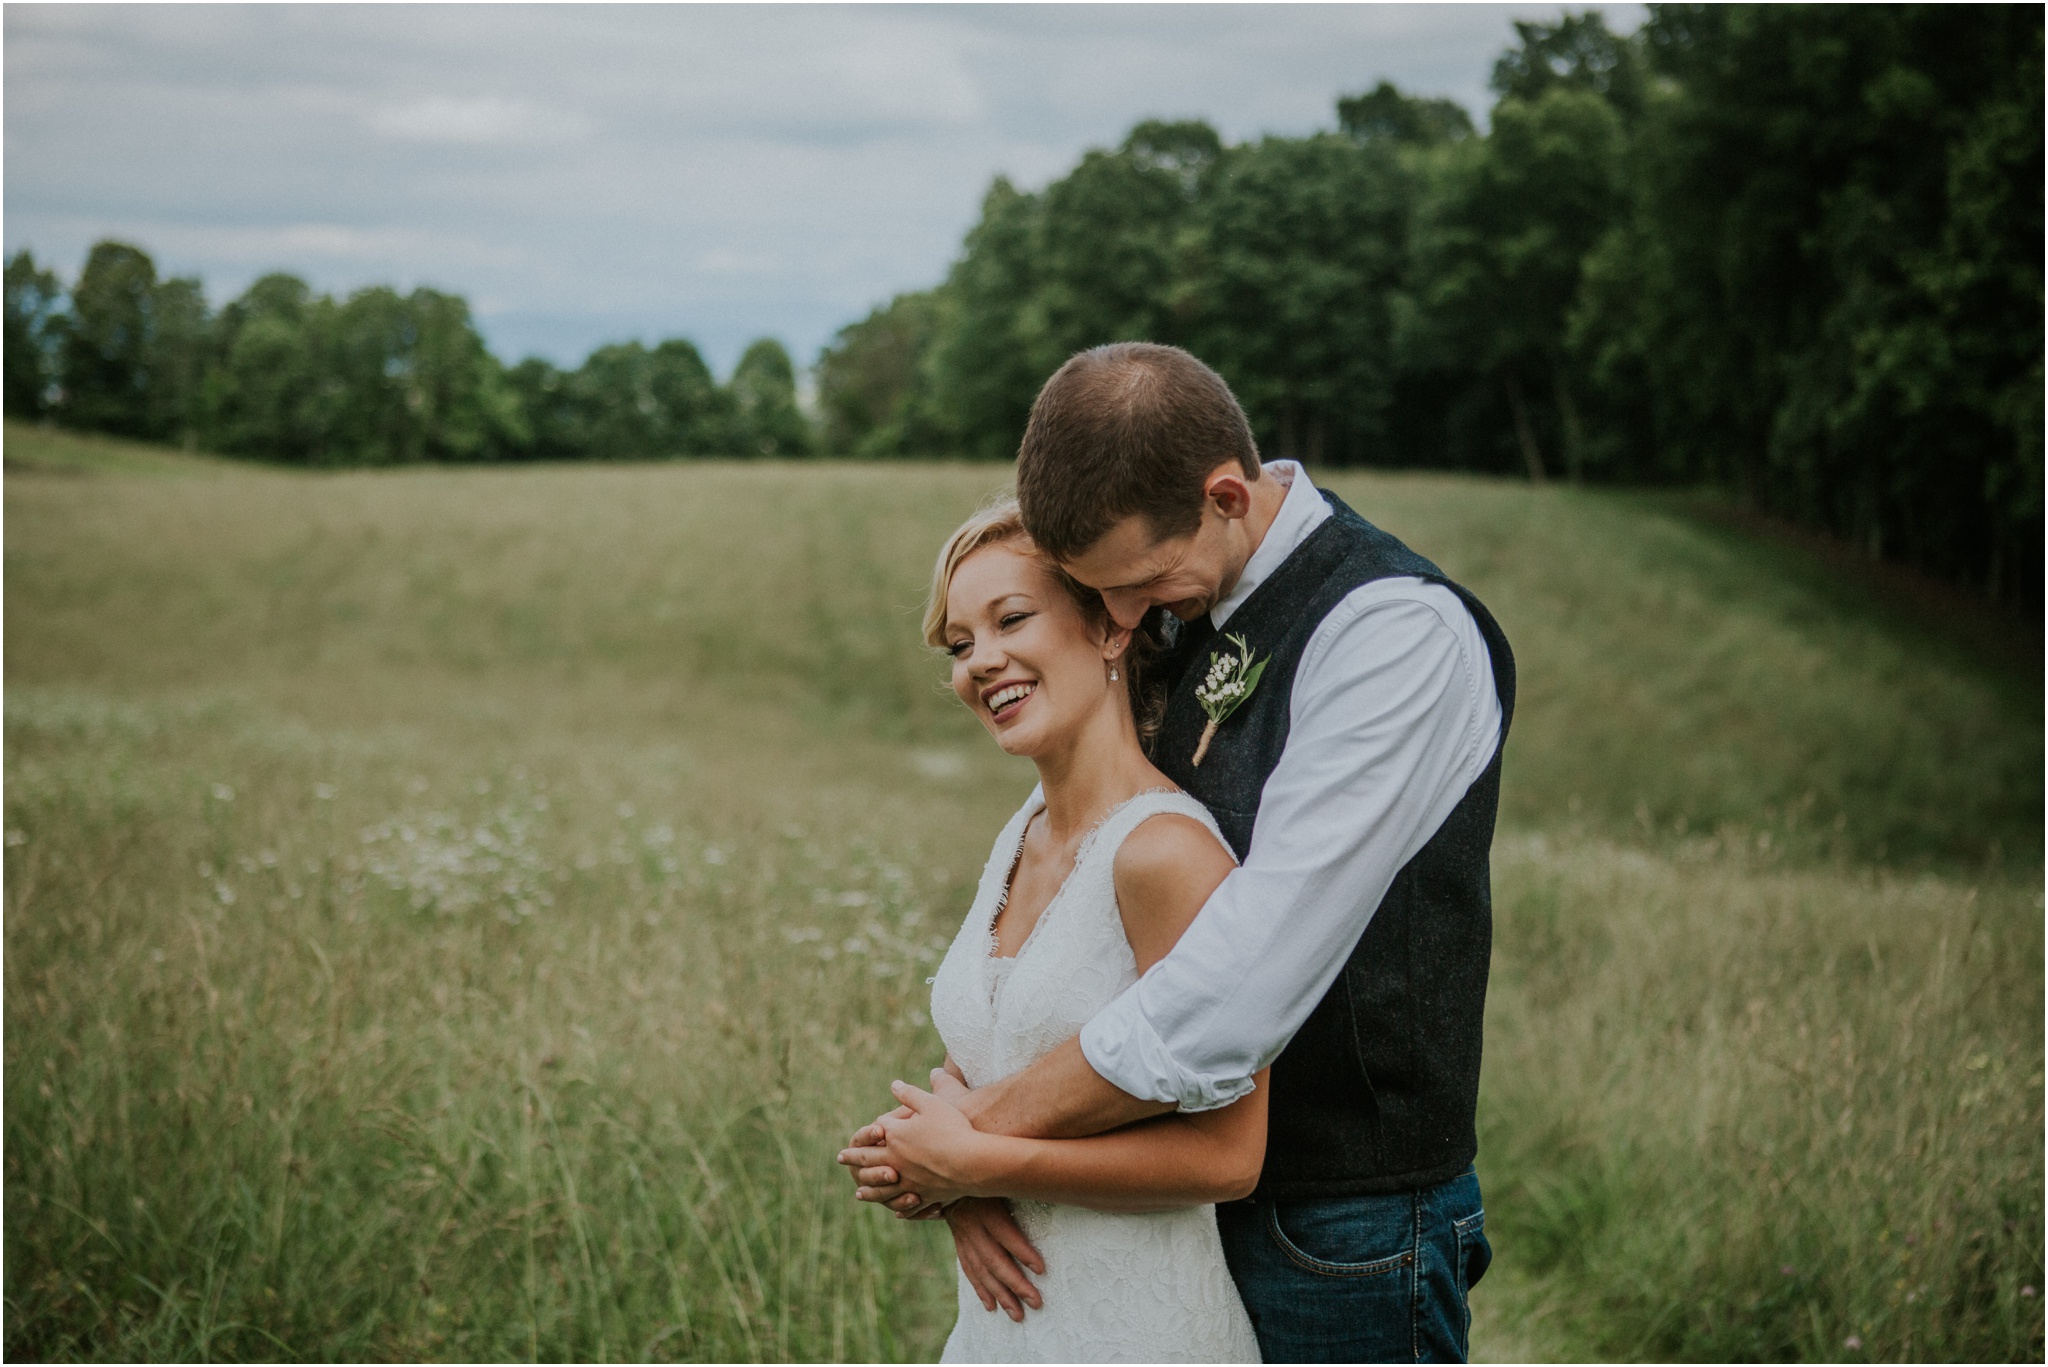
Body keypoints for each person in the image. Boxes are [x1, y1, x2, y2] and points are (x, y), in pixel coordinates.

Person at [844, 342, 1516, 1364]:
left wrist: (976, 1146)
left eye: (1134, 584)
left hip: (1345, 1221)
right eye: (1102, 593)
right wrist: (969, 1168)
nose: (1126, 617)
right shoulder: (1189, 597)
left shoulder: (1389, 633)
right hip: (1164, 1222)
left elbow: (1241, 982)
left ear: (1222, 495)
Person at [839, 498, 1263, 1361]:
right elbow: (993, 1060)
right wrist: (946, 1181)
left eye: (1012, 619)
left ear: (1111, 628)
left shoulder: (1165, 853)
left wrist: (973, 1167)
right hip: (1006, 1331)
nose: (980, 661)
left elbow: (1228, 1156)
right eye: (959, 644)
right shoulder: (1022, 830)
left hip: (1137, 1327)